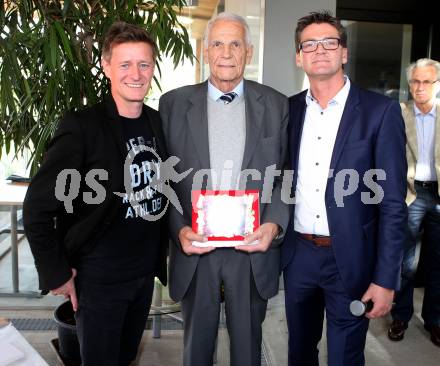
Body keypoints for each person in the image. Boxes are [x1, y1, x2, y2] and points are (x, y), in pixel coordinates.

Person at [23, 21, 168, 366]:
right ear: (106, 67)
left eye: (144, 64)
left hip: (143, 275)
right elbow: (38, 208)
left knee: (126, 356)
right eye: (125, 64)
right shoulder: (82, 125)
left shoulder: (156, 122)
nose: (136, 73)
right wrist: (56, 272)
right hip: (99, 277)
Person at [159, 12, 289, 366]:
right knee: (195, 351)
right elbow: (163, 181)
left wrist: (273, 225)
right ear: (205, 51)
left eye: (235, 44)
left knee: (248, 352)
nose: (226, 52)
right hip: (195, 246)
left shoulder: (276, 104)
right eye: (217, 43)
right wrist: (178, 228)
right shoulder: (172, 104)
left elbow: (284, 178)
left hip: (252, 250)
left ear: (248, 51)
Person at [281, 11, 407, 365]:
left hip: (351, 259)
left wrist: (386, 279)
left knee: (345, 358)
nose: (319, 50)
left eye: (329, 42)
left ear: (344, 52)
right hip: (299, 256)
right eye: (310, 44)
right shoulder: (288, 111)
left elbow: (393, 204)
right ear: (299, 56)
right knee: (298, 352)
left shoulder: (380, 112)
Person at [388, 58, 440, 347]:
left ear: (437, 84)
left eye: (427, 81)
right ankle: (401, 315)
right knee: (405, 262)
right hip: (410, 194)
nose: (420, 87)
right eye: (415, 82)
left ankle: (435, 320)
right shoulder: (398, 113)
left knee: (438, 262)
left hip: (439, 195)